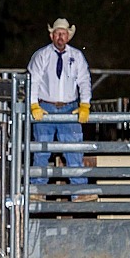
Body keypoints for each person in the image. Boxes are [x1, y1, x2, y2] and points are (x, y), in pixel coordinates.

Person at [27, 18, 97, 202]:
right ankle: (38, 190)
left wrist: (85, 103)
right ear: (52, 35)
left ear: (68, 36)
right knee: (42, 150)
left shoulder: (77, 56)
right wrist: (34, 104)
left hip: (69, 108)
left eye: (63, 33)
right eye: (58, 33)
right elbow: (33, 81)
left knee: (74, 150)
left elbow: (84, 80)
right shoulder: (41, 55)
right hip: (46, 107)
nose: (60, 36)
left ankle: (79, 191)